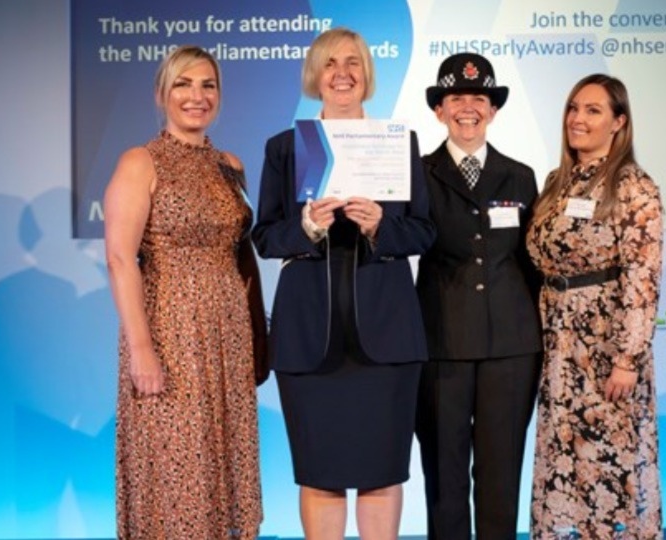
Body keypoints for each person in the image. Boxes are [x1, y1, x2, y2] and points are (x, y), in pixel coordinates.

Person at [252, 27, 435, 540]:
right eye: (330, 64)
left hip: (387, 335)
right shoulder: (285, 149)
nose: (342, 74)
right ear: (315, 75)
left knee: (382, 472)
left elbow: (423, 230)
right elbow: (265, 236)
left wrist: (382, 224)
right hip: (310, 336)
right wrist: (308, 227)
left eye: (353, 63)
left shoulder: (400, 144)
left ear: (367, 75)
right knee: (321, 474)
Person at [104, 45, 266, 539]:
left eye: (208, 85)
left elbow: (241, 254)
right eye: (183, 84)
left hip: (228, 334)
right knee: (177, 465)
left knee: (224, 460)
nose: (197, 96)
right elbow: (118, 258)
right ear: (161, 94)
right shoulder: (140, 162)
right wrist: (142, 349)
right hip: (170, 333)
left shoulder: (229, 163)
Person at [526, 73, 664, 539]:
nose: (577, 119)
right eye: (573, 108)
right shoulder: (556, 183)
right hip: (557, 346)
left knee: (606, 462)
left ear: (619, 123)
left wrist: (628, 359)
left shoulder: (632, 186)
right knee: (564, 463)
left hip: (605, 348)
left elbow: (643, 278)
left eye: (592, 110)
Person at [415, 53, 544, 540]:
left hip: (511, 345)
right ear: (439, 110)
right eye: (456, 98)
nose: (468, 107)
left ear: (492, 110)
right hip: (440, 341)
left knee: (501, 470)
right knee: (444, 474)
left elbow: (532, 263)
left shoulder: (522, 175)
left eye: (479, 98)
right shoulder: (417, 173)